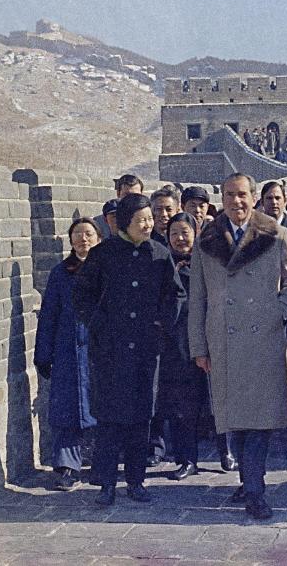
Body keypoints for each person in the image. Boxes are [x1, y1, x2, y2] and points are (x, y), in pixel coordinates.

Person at [188, 173, 287, 520]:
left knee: (259, 421)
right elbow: (198, 298)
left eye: (242, 195)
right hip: (222, 339)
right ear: (220, 199)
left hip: (263, 339)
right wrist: (199, 346)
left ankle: (255, 489)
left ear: (253, 197)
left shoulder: (275, 233)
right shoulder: (205, 240)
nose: (236, 202)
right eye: (229, 195)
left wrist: (280, 312)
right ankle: (247, 478)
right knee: (234, 421)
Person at [73, 193, 182, 506]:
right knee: (109, 420)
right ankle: (106, 484)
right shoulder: (103, 254)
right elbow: (82, 296)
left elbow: (176, 296)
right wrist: (100, 325)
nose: (149, 224)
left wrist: (162, 324)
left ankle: (136, 481)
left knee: (140, 419)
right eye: (142, 220)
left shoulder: (160, 254)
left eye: (149, 219)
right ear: (125, 222)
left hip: (146, 352)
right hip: (110, 353)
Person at [157, 213, 236, 480]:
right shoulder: (163, 264)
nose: (180, 239)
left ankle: (227, 452)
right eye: (174, 234)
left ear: (196, 232)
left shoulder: (210, 260)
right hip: (178, 345)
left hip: (211, 339)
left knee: (219, 399)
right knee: (184, 406)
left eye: (185, 232)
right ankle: (187, 458)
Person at [34, 217, 102, 491]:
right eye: (77, 234)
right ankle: (66, 466)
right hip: (67, 351)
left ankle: (102, 464)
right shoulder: (61, 273)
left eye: (88, 234)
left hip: (100, 352)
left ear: (98, 238)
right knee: (66, 409)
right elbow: (49, 314)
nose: (83, 239)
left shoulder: (108, 270)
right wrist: (43, 353)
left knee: (103, 407)